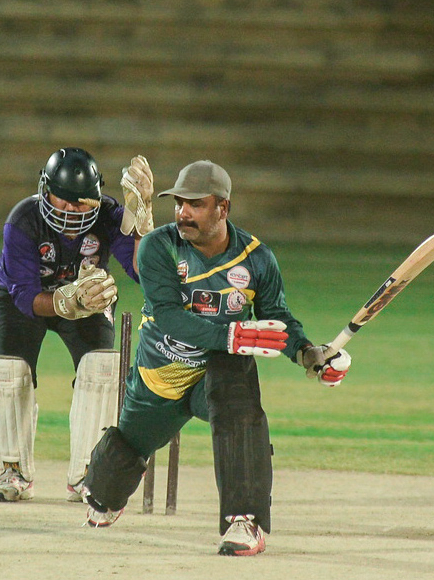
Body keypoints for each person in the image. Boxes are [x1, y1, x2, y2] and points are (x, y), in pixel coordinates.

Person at [81, 160, 352, 556]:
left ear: (223, 208)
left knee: (240, 402)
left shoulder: (257, 259)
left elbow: (278, 319)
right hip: (159, 375)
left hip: (215, 372)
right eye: (179, 203)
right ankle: (107, 495)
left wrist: (308, 353)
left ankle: (244, 520)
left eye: (195, 204)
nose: (183, 213)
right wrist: (231, 334)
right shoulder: (159, 246)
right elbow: (169, 317)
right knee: (106, 485)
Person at [0, 147, 154, 503]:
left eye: (80, 203)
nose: (71, 210)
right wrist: (66, 301)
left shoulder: (108, 216)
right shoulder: (23, 220)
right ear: (46, 191)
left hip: (87, 298)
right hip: (23, 299)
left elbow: (143, 273)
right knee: (8, 371)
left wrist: (142, 225)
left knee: (103, 368)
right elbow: (25, 296)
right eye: (63, 200)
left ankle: (87, 473)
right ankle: (13, 471)